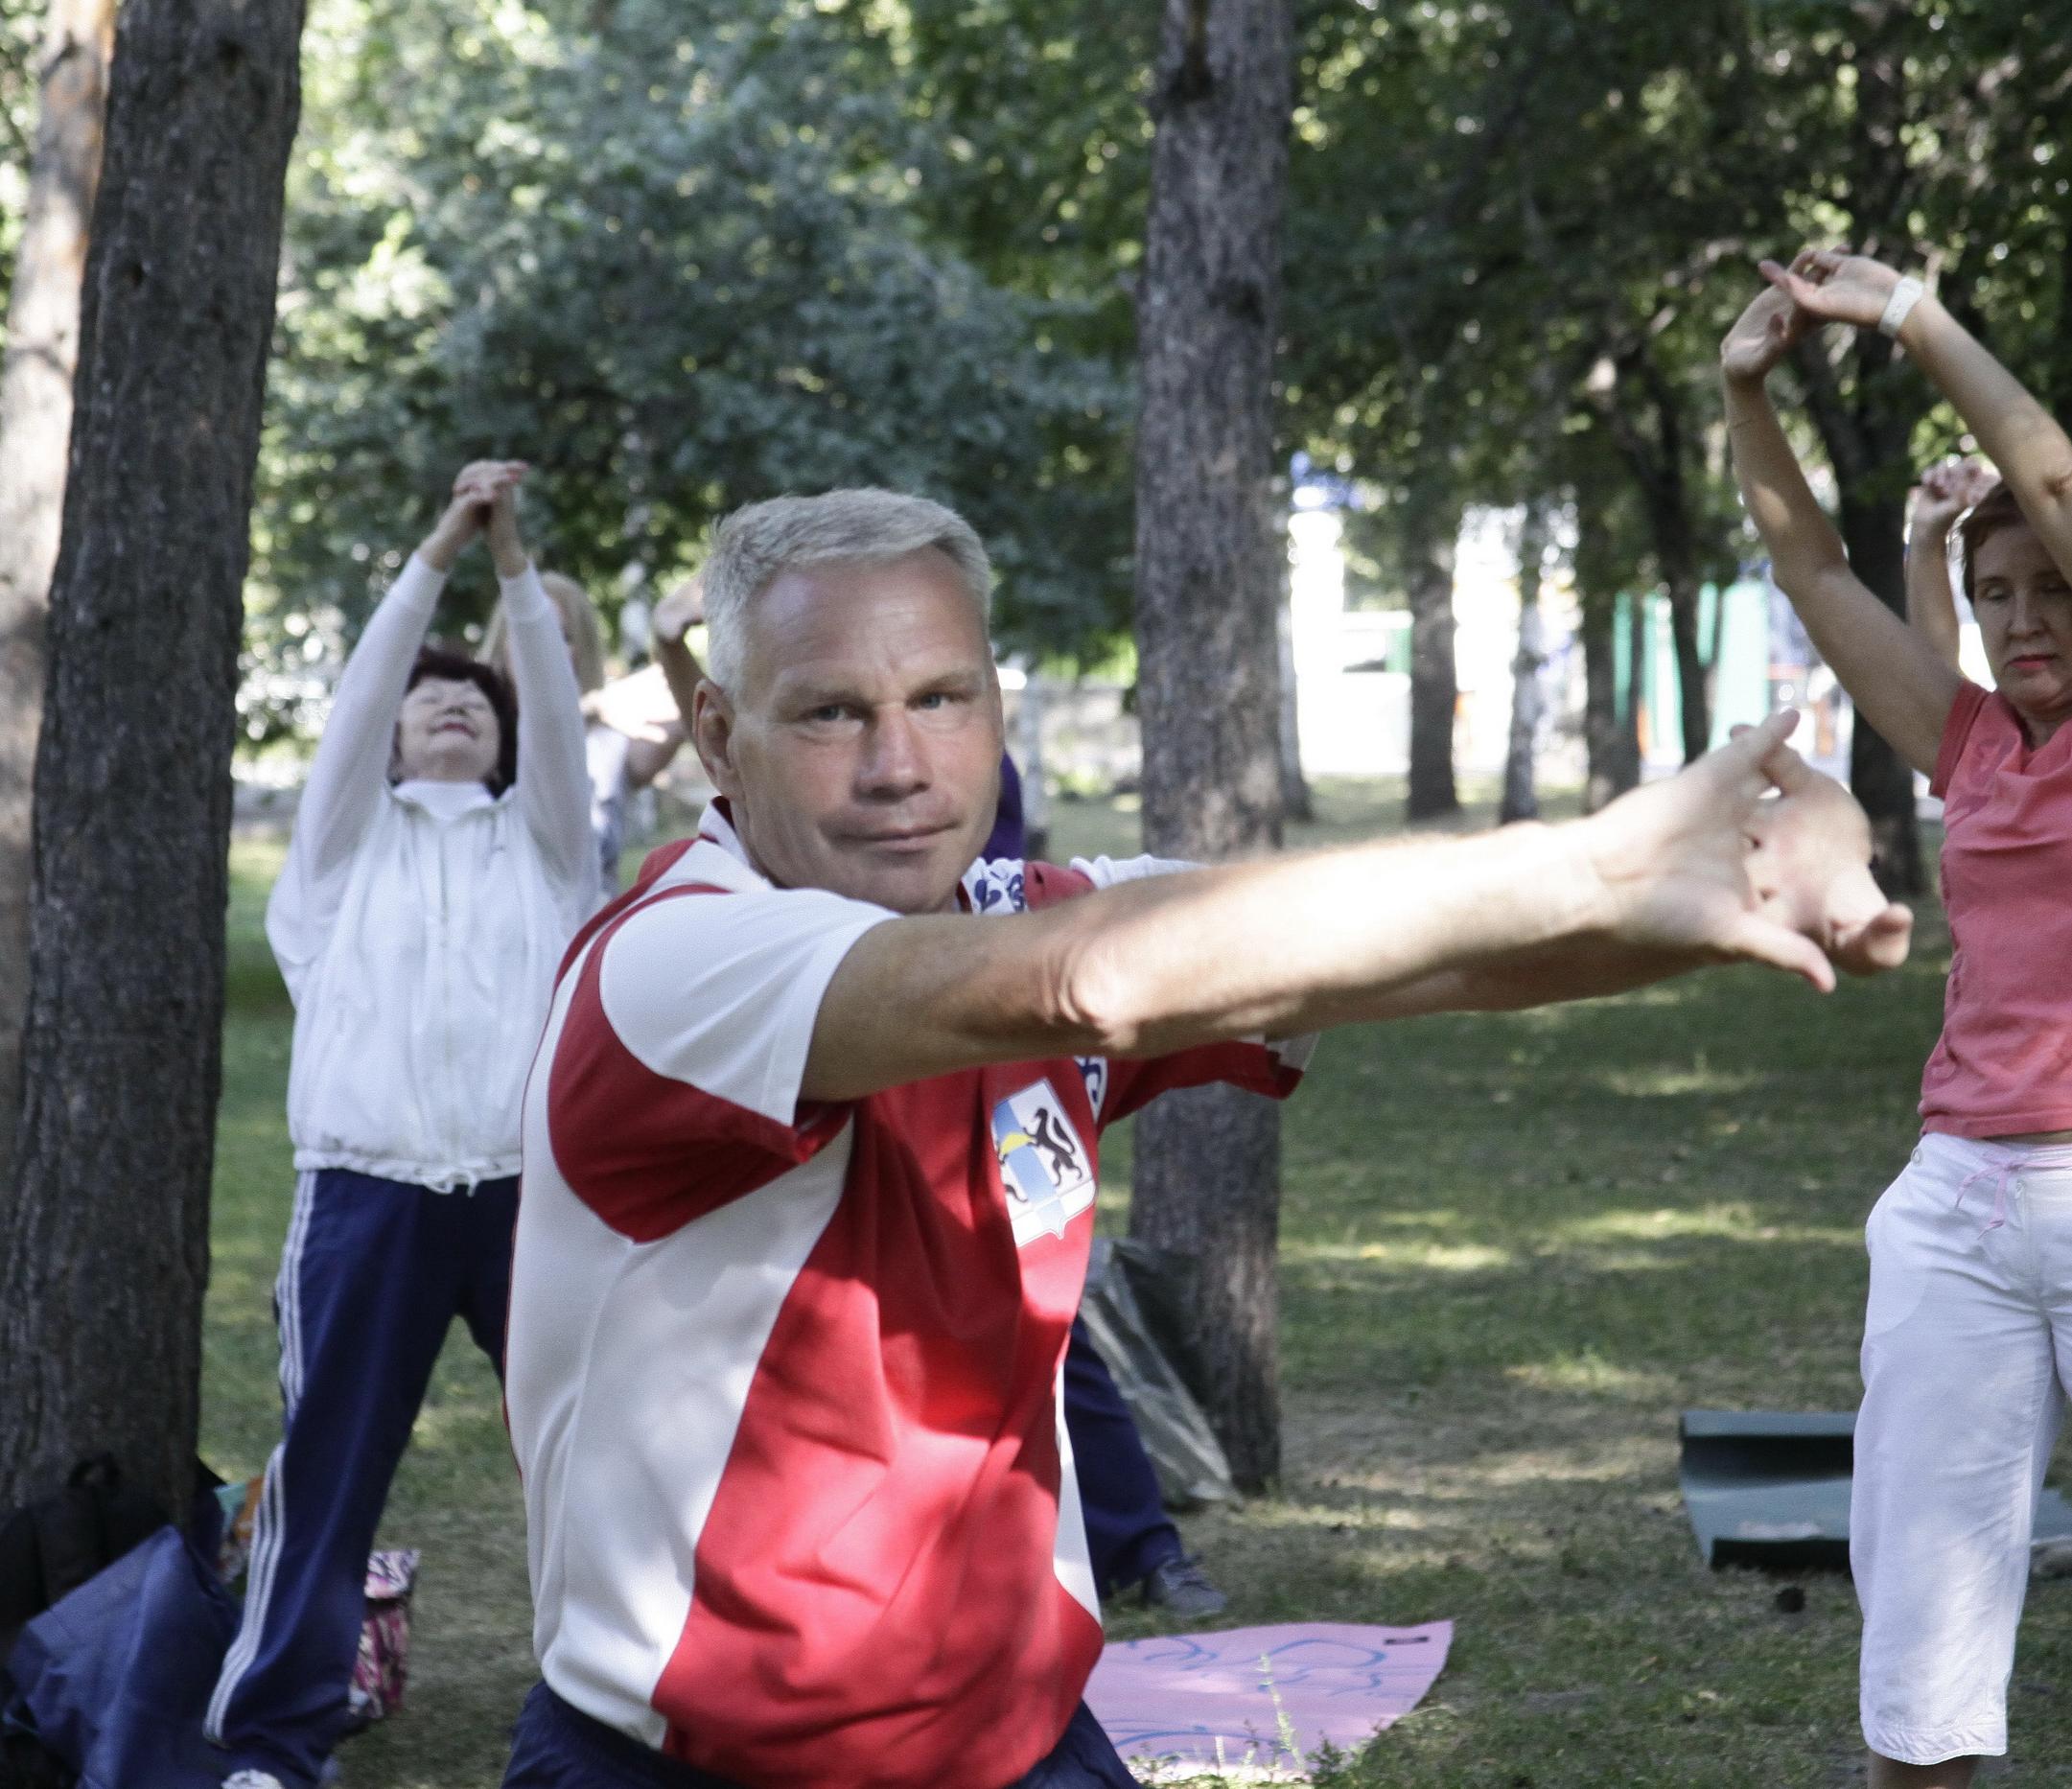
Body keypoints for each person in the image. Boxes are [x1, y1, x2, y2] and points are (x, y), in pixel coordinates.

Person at [499, 487, 1906, 1789]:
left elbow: (1424, 959)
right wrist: (1603, 855)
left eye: (943, 696)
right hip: (699, 1761)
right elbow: (1089, 984)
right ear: (711, 729)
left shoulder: (1026, 908)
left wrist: (1745, 895)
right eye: (827, 713)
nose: (899, 764)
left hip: (1019, 1727)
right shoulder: (676, 965)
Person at [1723, 246, 2072, 1789]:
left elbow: (2051, 475)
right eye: (1995, 594)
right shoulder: (1976, 742)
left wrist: (1919, 316)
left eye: (2049, 585)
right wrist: (1747, 390)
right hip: (1955, 1206)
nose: (2020, 614)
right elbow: (1814, 576)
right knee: (1920, 1656)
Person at [207, 462, 594, 1789]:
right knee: (326, 1471)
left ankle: (619, 1715)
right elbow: (361, 694)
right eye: (426, 701)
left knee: (589, 1456)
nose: (448, 710)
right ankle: (272, 1744)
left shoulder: (548, 852)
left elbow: (551, 716)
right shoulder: (336, 859)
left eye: (469, 703)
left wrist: (515, 574)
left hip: (529, 1197)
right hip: (364, 1193)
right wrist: (433, 552)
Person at [485, 572, 687, 897]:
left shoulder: (610, 741)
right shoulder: (469, 732)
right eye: (525, 631)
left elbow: (694, 711)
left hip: (581, 938)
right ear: (501, 641)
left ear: (581, 650)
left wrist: (670, 639)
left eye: (560, 635)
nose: (540, 647)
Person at [1905, 457, 2002, 672]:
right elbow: (1938, 674)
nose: (2022, 626)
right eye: (1997, 595)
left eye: (2051, 590)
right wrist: (1926, 537)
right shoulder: (1987, 707)